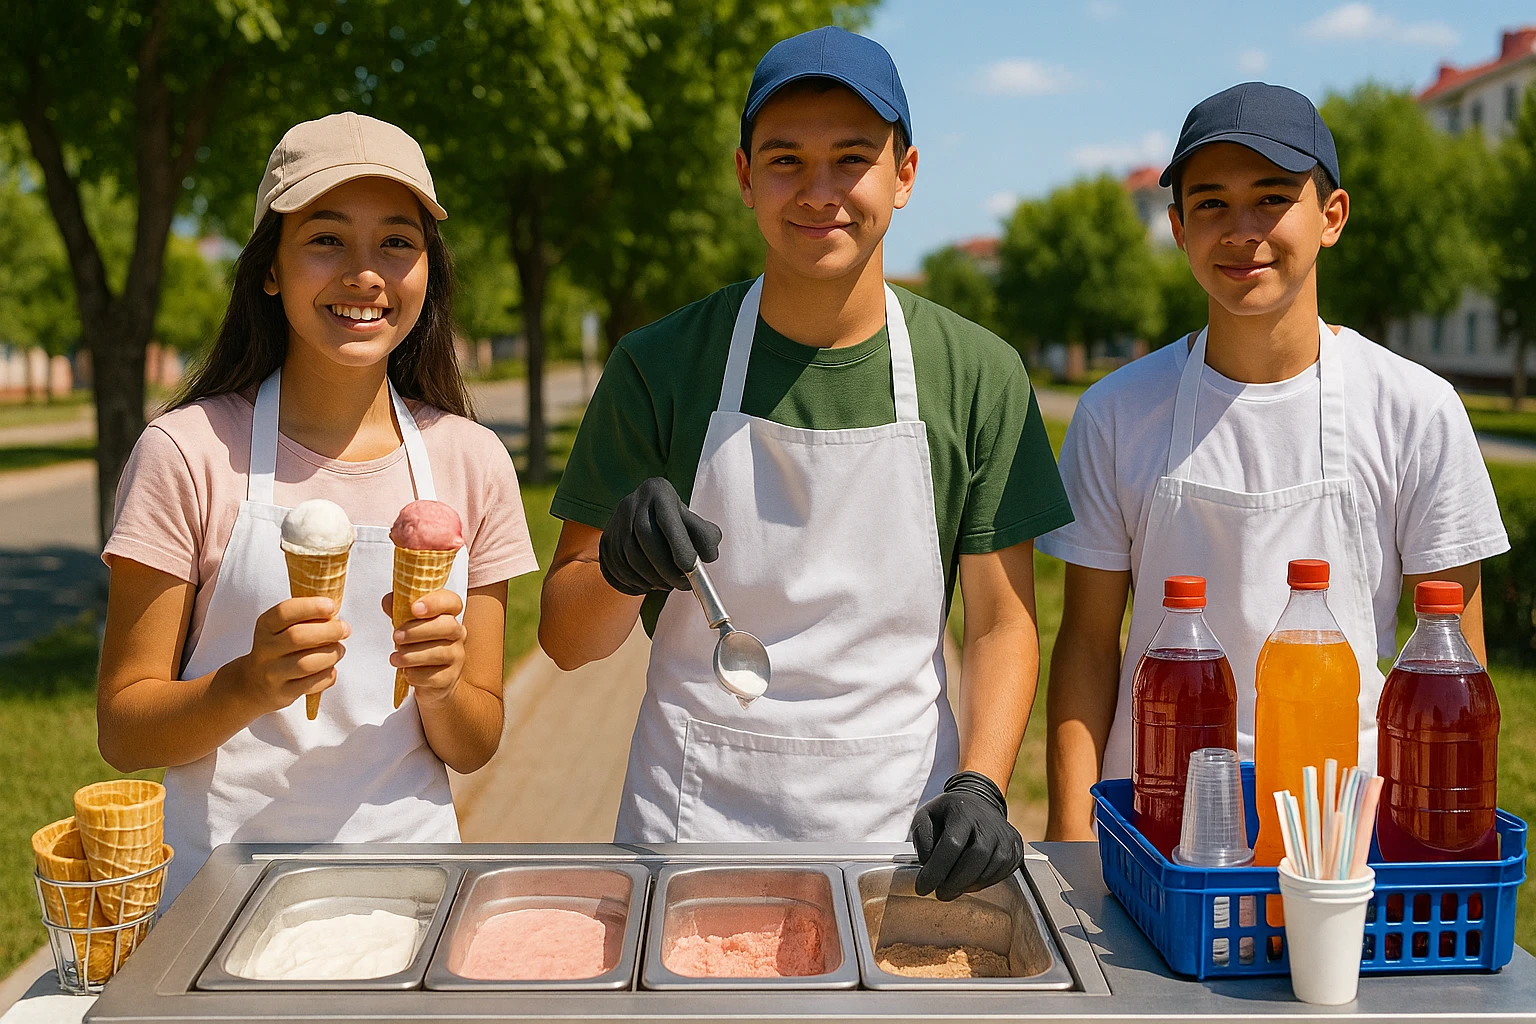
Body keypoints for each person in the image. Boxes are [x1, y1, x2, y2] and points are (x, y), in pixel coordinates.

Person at [540, 27, 1072, 900]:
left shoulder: (977, 373)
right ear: (746, 177)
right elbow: (565, 640)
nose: (819, 192)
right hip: (692, 830)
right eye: (786, 160)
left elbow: (1002, 623)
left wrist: (981, 783)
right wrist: (616, 567)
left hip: (902, 836)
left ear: (904, 174)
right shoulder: (660, 364)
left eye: (851, 159)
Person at [1039, 83, 1510, 841]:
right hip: (1156, 821)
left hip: (1348, 828)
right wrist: (1070, 843)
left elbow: (1457, 667)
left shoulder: (1416, 409)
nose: (1242, 231)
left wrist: (1442, 853)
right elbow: (1088, 645)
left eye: (1270, 198)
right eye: (1212, 205)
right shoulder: (1116, 412)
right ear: (1177, 227)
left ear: (1331, 217)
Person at [97, 113, 538, 901]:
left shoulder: (474, 463)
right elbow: (124, 729)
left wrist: (442, 688)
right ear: (270, 267)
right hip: (216, 897)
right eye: (327, 239)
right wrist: (243, 686)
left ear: (428, 271)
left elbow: (475, 744)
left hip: (412, 891)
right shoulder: (186, 452)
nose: (365, 273)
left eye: (396, 243)